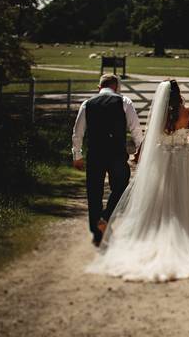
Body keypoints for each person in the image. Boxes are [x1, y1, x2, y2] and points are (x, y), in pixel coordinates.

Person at [86, 79, 189, 282]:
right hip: (182, 159)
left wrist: (139, 155)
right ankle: (184, 239)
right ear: (178, 93)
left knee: (159, 196)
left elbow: (148, 137)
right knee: (181, 196)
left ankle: (153, 234)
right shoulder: (188, 111)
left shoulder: (158, 113)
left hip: (161, 157)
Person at [72, 73, 144, 247]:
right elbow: (136, 130)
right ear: (116, 87)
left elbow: (78, 131)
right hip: (117, 153)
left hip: (95, 153)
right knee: (121, 186)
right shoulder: (124, 102)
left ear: (99, 87)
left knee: (94, 192)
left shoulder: (87, 104)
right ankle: (105, 217)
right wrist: (140, 151)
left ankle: (98, 233)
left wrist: (77, 155)